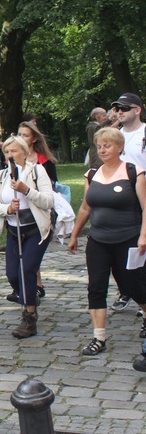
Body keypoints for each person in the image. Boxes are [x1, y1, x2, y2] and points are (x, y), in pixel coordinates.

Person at [68, 127, 146, 356]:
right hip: (98, 240)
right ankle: (98, 336)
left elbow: (145, 207)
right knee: (96, 286)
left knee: (133, 285)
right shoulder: (92, 174)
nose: (103, 149)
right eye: (99, 146)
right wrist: (74, 234)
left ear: (119, 148)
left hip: (128, 239)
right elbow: (85, 207)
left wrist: (143, 235)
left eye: (108, 145)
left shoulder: (134, 172)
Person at [0, 136, 54, 339]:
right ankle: (30, 295)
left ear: (25, 153)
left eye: (15, 151)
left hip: (35, 230)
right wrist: (8, 208)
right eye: (7, 152)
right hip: (13, 231)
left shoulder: (36, 171)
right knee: (12, 275)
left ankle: (29, 319)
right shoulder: (1, 176)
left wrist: (26, 190)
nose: (10, 155)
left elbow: (48, 200)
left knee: (27, 270)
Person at [110, 93, 146, 312]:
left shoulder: (144, 133)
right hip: (121, 199)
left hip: (142, 196)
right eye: (117, 108)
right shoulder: (116, 136)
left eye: (124, 107)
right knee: (121, 250)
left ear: (138, 110)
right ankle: (127, 289)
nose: (119, 111)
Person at [15, 122, 59, 301]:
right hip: (17, 212)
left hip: (39, 211)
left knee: (32, 253)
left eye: (25, 135)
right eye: (19, 134)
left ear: (33, 139)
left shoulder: (43, 161)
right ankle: (27, 284)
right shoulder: (13, 159)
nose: (22, 138)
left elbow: (51, 189)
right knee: (20, 251)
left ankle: (36, 284)